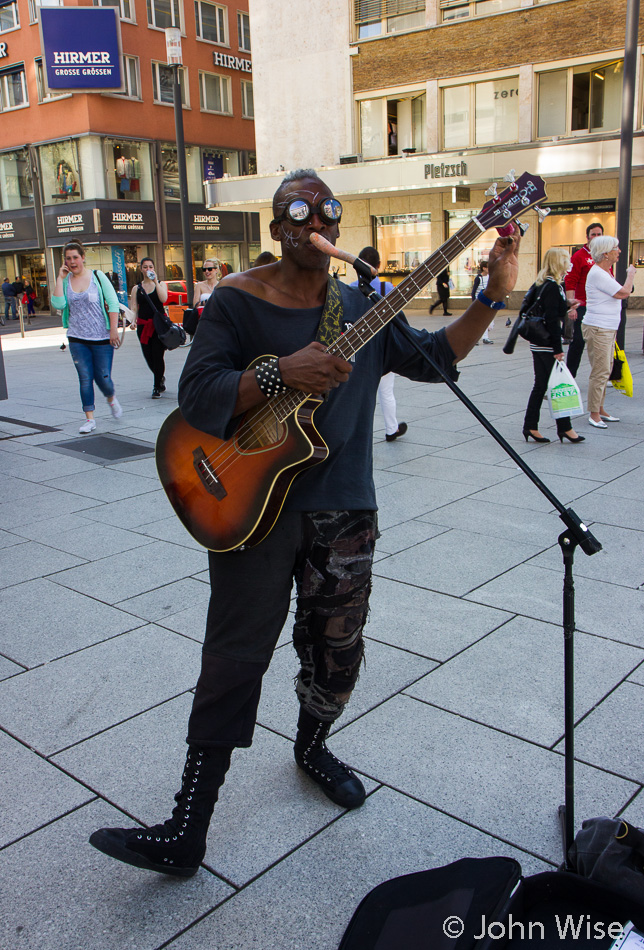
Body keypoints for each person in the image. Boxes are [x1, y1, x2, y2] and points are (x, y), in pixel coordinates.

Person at [89, 168, 521, 879]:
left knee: (338, 649)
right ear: (277, 228)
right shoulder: (236, 300)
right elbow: (196, 397)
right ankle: (186, 827)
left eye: (325, 211)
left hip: (345, 504)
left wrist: (491, 296)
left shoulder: (362, 308)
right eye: (298, 210)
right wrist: (278, 373)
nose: (313, 221)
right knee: (234, 657)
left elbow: (435, 361)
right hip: (247, 502)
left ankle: (313, 745)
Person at [51, 241, 123, 434]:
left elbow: (113, 303)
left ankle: (110, 397)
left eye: (75, 257)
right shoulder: (65, 281)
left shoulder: (97, 277)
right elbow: (58, 304)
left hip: (101, 337)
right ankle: (89, 418)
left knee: (104, 378)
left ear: (83, 257)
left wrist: (113, 330)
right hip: (77, 338)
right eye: (68, 258)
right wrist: (59, 278)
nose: (72, 261)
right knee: (85, 378)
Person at [522, 248, 585, 444]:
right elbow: (550, 319)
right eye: (566, 261)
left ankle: (530, 426)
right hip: (548, 343)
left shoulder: (542, 283)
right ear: (559, 263)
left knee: (540, 385)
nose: (569, 265)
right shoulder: (551, 286)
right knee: (558, 385)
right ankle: (565, 428)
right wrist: (558, 349)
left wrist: (566, 305)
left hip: (537, 342)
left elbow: (548, 310)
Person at [350, 245, 407, 442]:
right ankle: (391, 429)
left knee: (357, 393)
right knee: (386, 392)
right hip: (382, 349)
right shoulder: (387, 288)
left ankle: (353, 433)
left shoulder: (350, 288)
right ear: (379, 265)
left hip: (358, 350)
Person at [582, 236, 636, 428]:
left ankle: (600, 408)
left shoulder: (605, 271)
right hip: (599, 328)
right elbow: (622, 293)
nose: (619, 251)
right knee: (601, 370)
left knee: (606, 369)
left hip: (606, 327)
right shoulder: (598, 273)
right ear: (606, 253)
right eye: (616, 248)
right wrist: (630, 275)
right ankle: (594, 413)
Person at [564, 222, 605, 377]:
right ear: (587, 236)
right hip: (582, 306)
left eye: (599, 234)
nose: (595, 237)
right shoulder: (579, 256)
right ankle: (570, 376)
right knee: (578, 342)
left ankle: (603, 375)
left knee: (601, 343)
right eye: (593, 234)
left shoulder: (603, 256)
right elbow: (570, 281)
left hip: (599, 307)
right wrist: (572, 306)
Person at [129, 258, 169, 399]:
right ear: (141, 269)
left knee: (158, 355)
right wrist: (132, 321)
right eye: (145, 267)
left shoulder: (161, 284)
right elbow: (134, 307)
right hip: (143, 326)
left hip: (158, 326)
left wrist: (156, 281)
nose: (148, 269)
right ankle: (160, 377)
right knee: (148, 356)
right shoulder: (137, 288)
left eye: (150, 267)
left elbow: (163, 299)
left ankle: (156, 386)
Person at [471, 261, 494, 344]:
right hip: (479, 302)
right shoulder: (478, 278)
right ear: (484, 268)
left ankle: (477, 335)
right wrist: (474, 303)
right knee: (484, 321)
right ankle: (484, 338)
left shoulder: (489, 277)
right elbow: (473, 292)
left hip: (488, 301)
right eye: (488, 267)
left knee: (490, 324)